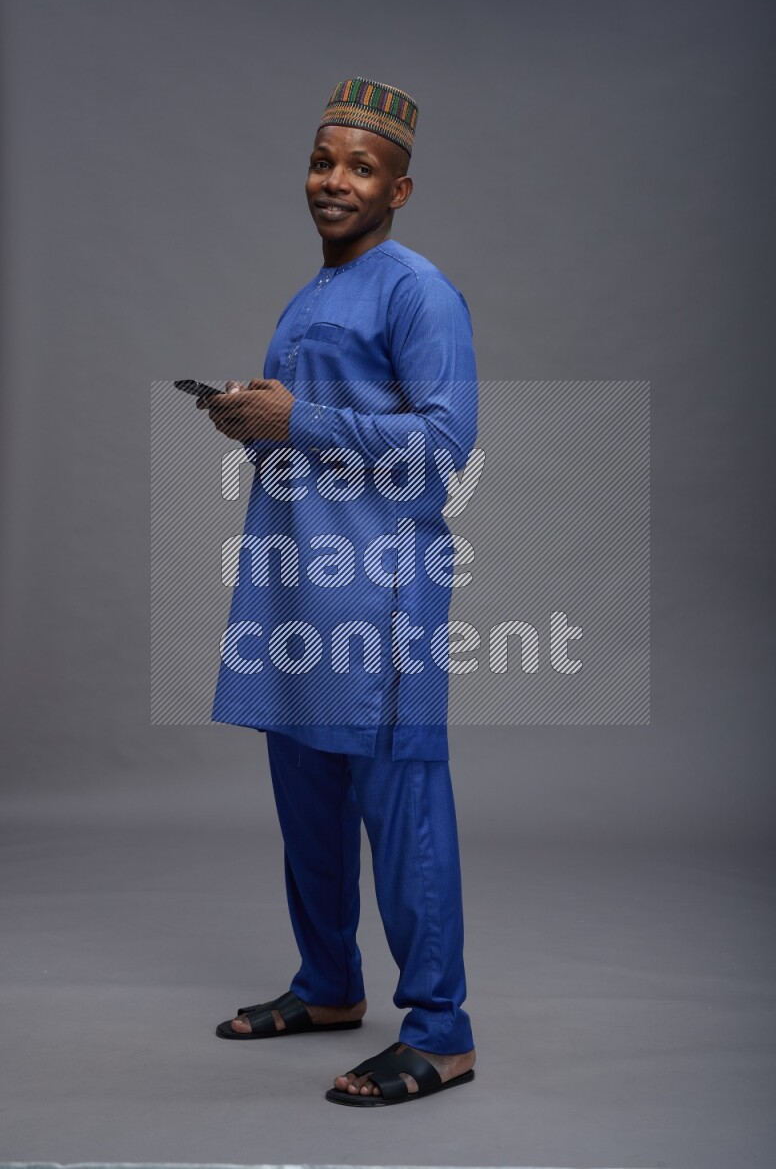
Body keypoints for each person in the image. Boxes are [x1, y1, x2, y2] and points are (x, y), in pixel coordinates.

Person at [200, 78, 478, 1107]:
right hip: (295, 590)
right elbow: (310, 430)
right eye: (323, 161)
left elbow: (444, 447)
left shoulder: (417, 291)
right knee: (307, 802)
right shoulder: (311, 295)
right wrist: (251, 418)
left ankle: (441, 1031)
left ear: (397, 189)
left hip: (379, 596)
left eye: (361, 167)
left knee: (401, 808)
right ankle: (327, 985)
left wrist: (299, 421)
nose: (334, 180)